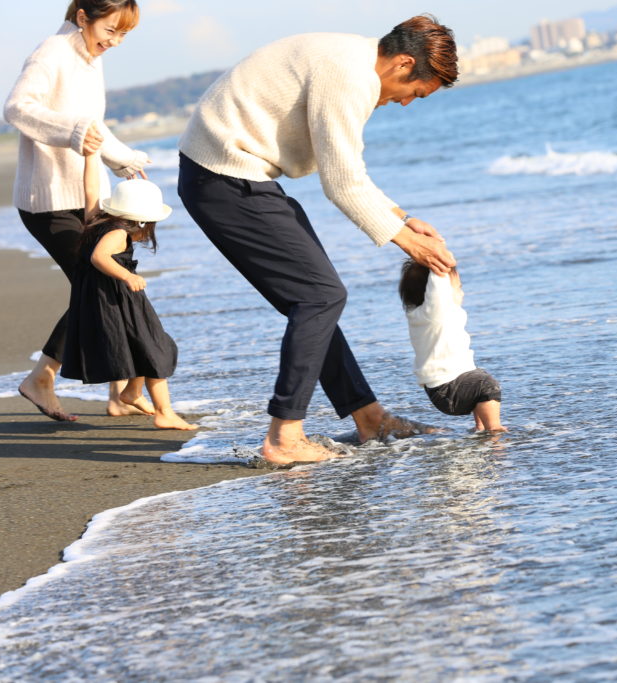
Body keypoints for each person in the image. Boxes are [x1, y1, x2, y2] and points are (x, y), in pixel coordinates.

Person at [177, 15, 459, 464]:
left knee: (313, 298)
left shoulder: (354, 59)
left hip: (231, 175)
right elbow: (342, 183)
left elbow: (349, 170)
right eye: (416, 93)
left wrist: (403, 217)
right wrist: (406, 241)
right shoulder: (348, 74)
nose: (407, 103)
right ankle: (283, 437)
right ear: (404, 64)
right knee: (321, 297)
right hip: (225, 178)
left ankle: (369, 419)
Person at [4, 0, 150, 422]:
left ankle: (113, 391)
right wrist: (71, 133)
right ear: (83, 17)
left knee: (103, 288)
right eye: (111, 29)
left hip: (88, 196)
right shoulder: (51, 51)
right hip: (48, 201)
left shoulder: (90, 58)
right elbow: (17, 107)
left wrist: (123, 161)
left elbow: (93, 130)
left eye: (124, 34)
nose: (115, 41)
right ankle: (44, 377)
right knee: (101, 286)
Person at [58, 149, 195, 431]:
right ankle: (164, 412)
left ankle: (132, 392)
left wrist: (90, 158)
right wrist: (127, 276)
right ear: (142, 220)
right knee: (156, 349)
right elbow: (100, 258)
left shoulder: (96, 219)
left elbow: (90, 190)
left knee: (144, 347)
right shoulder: (118, 233)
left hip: (103, 300)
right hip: (118, 299)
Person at [399, 260, 505, 432]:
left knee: (478, 377)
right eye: (459, 287)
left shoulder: (416, 313)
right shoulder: (436, 310)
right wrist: (435, 253)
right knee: (487, 385)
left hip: (443, 389)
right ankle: (494, 429)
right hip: (449, 389)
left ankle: (480, 427)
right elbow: (438, 279)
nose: (462, 292)